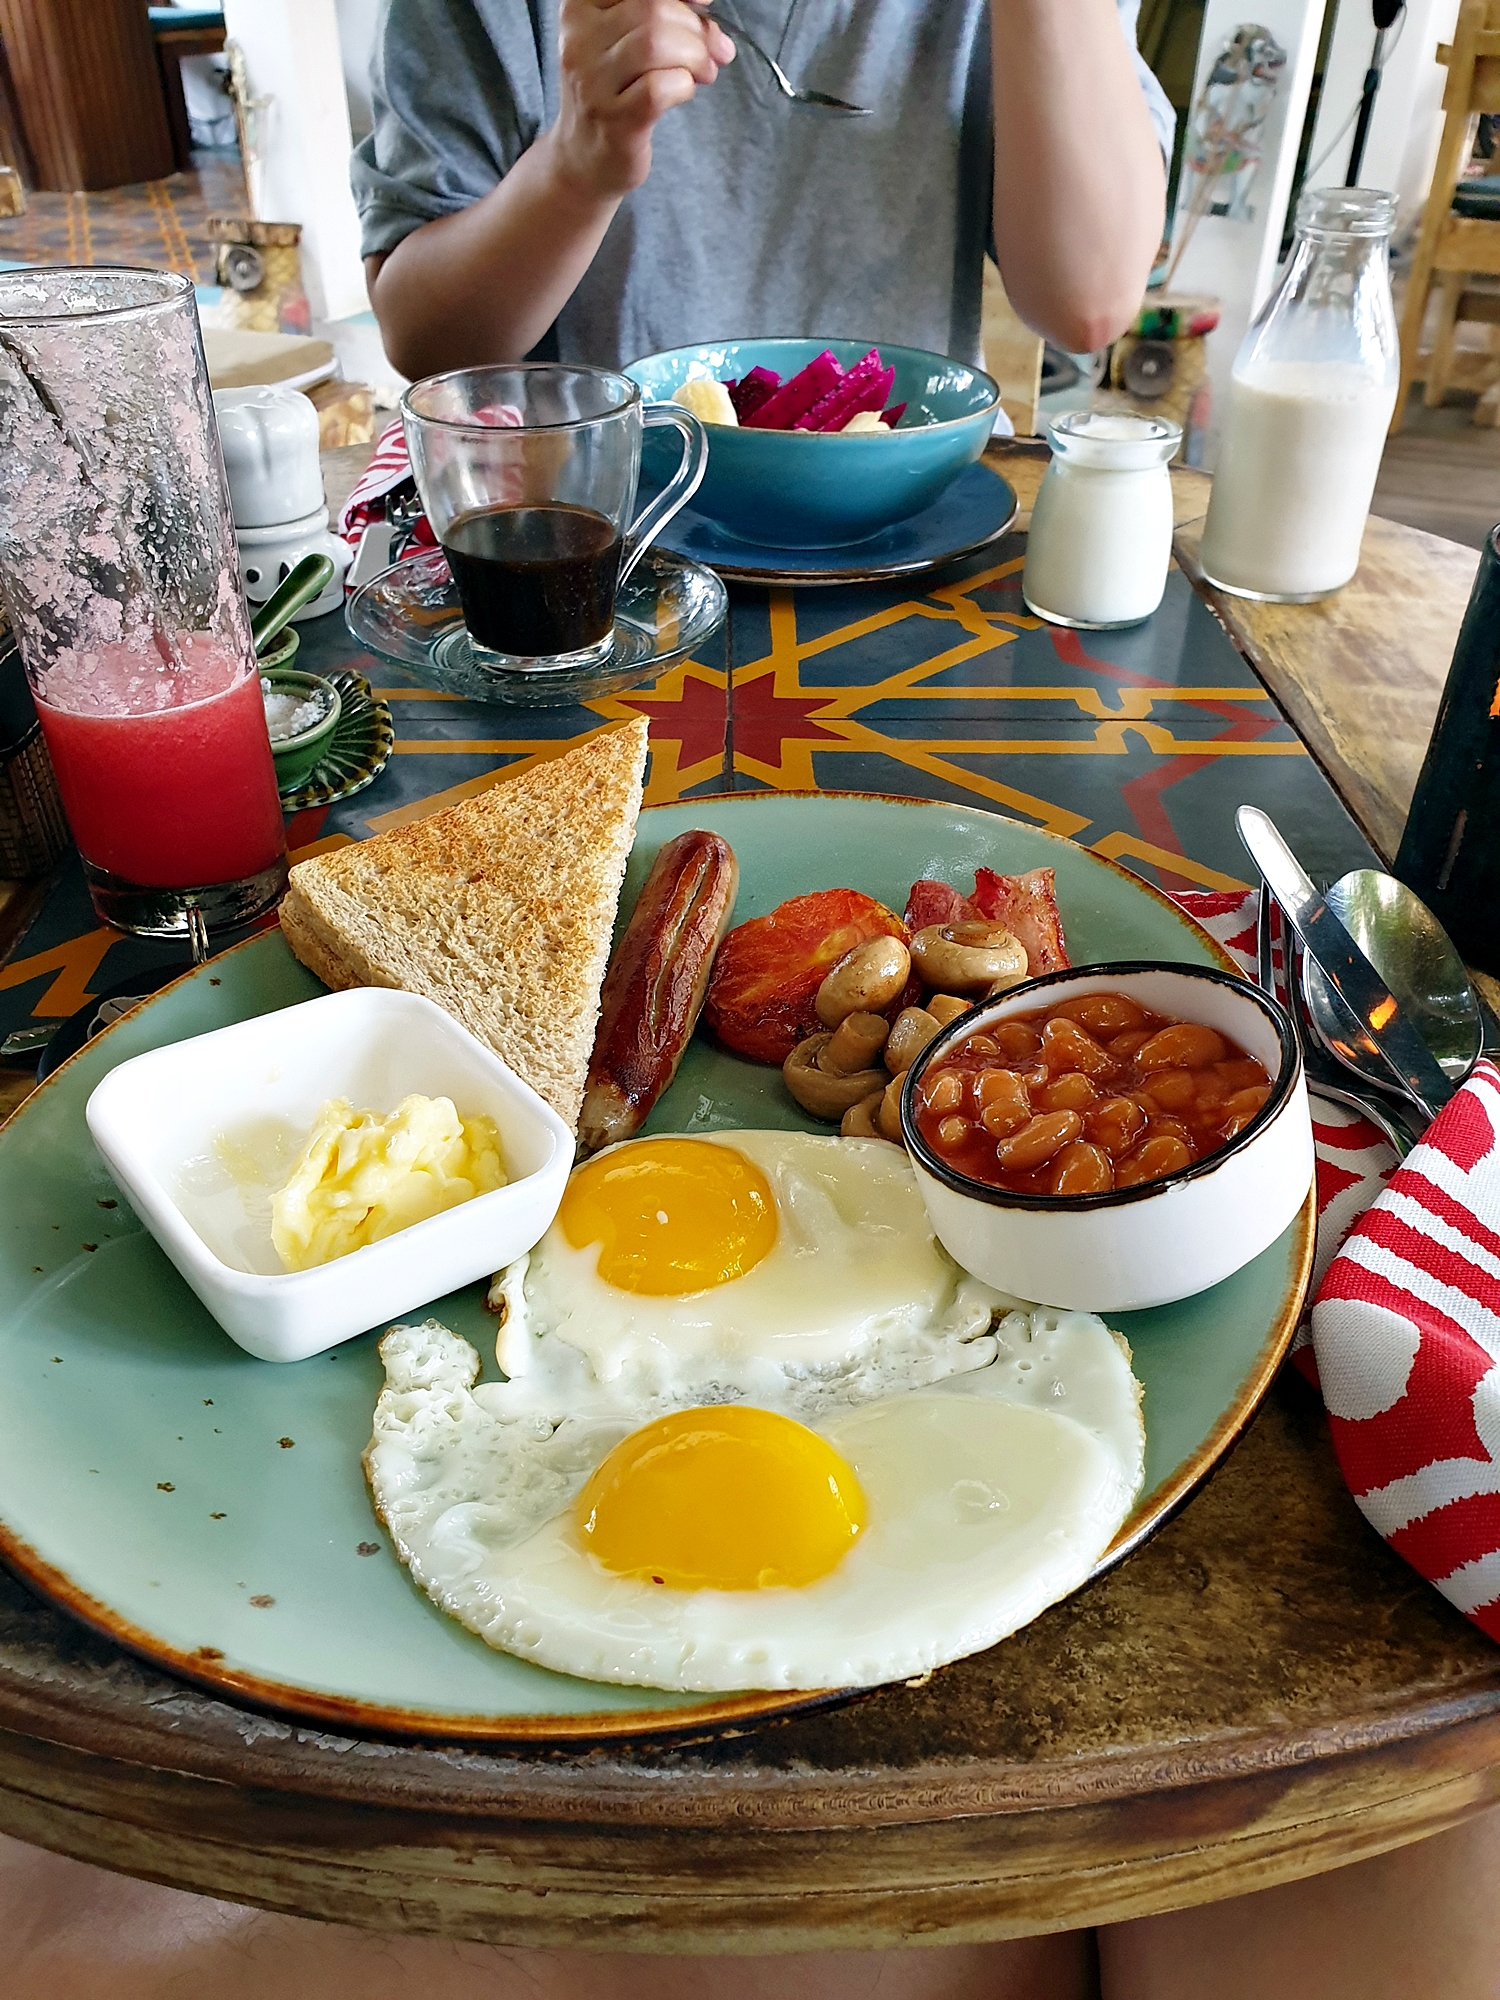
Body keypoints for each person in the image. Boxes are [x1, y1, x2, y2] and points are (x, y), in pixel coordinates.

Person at [353, 0, 1174, 382]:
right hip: (588, 551)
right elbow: (423, 342)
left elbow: (1089, 303)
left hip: (911, 534)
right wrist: (575, 168)